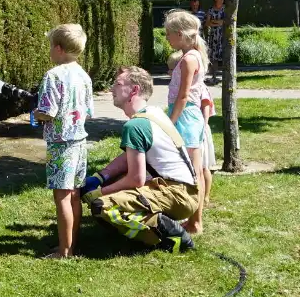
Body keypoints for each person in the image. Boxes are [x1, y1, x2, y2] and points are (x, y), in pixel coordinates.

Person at [79, 66, 198, 253]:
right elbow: (130, 157)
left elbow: (136, 179)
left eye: (118, 84)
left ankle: (167, 236)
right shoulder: (153, 112)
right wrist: (100, 176)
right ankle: (149, 223)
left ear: (134, 90)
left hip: (177, 194)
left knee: (102, 206)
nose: (111, 89)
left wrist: (100, 192)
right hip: (185, 191)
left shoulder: (135, 125)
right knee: (112, 190)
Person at [34, 24, 95, 259]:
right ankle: (71, 245)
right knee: (74, 195)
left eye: (50, 46)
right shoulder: (84, 75)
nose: (49, 51)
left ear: (58, 49)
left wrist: (36, 113)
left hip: (61, 144)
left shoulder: (53, 75)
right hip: (80, 142)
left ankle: (64, 251)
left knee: (61, 196)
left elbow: (48, 112)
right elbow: (88, 111)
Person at [162, 10, 208, 234]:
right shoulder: (189, 56)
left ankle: (196, 222)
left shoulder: (189, 59)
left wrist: (170, 122)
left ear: (179, 34)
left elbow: (183, 96)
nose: (166, 38)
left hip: (186, 117)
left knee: (194, 170)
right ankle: (191, 219)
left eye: (168, 34)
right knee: (191, 169)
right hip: (186, 115)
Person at [205, 0, 226, 84]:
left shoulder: (225, 9)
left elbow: (225, 21)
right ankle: (214, 77)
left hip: (223, 36)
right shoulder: (210, 9)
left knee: (224, 56)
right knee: (213, 57)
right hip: (214, 36)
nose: (222, 0)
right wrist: (218, 22)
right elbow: (207, 23)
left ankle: (225, 77)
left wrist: (214, 21)